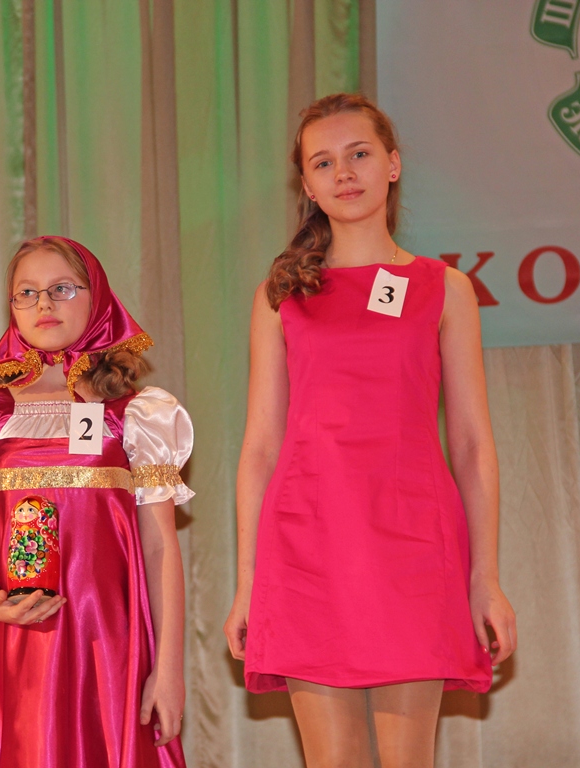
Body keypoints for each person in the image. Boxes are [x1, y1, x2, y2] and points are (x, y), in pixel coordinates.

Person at [223, 93, 517, 768]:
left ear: (393, 164)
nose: (344, 172)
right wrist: (248, 582)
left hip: (413, 543)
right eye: (323, 162)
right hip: (306, 547)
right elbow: (260, 446)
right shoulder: (281, 294)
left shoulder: (446, 287)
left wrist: (486, 577)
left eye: (358, 153)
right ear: (307, 185)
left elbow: (472, 444)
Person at [0, 236, 192, 767]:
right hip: (22, 645)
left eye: (62, 289)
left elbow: (159, 546)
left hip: (112, 646)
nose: (43, 304)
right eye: (26, 293)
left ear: (97, 297)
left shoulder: (136, 414)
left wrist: (168, 670)